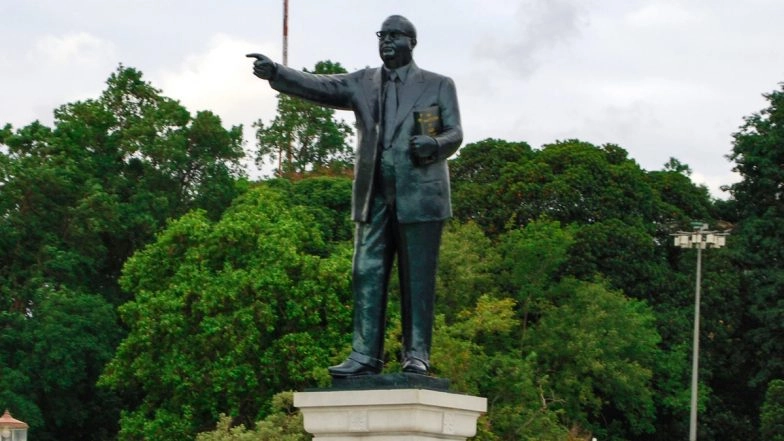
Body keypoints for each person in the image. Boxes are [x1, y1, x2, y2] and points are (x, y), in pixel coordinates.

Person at [247, 14, 462, 377]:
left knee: (418, 279)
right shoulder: (363, 81)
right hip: (373, 194)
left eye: (394, 36)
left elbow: (455, 132)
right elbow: (321, 86)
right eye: (382, 35)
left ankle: (416, 354)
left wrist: (435, 143)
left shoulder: (439, 84)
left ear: (412, 42)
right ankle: (365, 354)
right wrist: (277, 74)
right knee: (366, 272)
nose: (386, 41)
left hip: (421, 196)